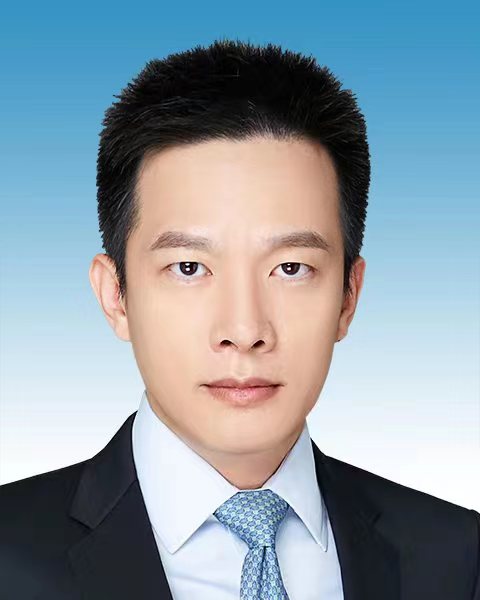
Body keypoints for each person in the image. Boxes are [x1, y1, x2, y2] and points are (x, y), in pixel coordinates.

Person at [0, 38, 478, 600]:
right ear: (115, 297)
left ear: (349, 296)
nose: (245, 331)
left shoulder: (458, 559)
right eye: (189, 267)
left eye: (291, 268)